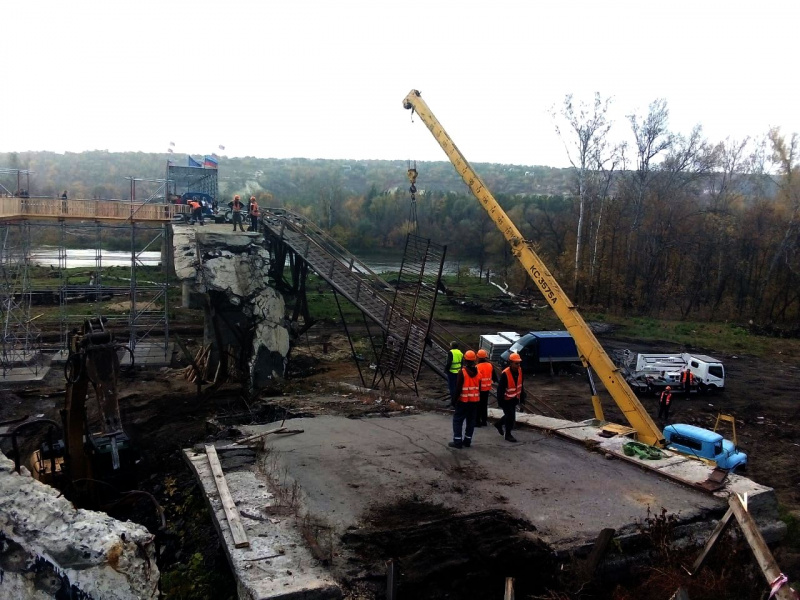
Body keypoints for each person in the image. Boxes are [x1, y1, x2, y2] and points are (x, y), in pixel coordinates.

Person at [449, 350, 480, 449]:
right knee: (470, 421)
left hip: (463, 401)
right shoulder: (478, 372)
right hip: (474, 401)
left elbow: (458, 388)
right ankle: (467, 441)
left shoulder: (462, 372)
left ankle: (457, 441)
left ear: (465, 360)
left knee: (458, 420)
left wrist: (454, 401)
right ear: (474, 360)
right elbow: (478, 387)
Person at [495, 352, 525, 442]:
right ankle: (508, 434)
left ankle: (498, 424)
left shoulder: (520, 371)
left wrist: (522, 397)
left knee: (509, 416)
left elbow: (521, 384)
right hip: (506, 400)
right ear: (511, 363)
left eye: (519, 363)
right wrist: (500, 402)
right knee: (511, 417)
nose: (518, 365)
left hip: (514, 398)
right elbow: (500, 390)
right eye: (516, 363)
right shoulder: (505, 374)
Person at [475, 348, 497, 427]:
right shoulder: (490, 365)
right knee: (484, 405)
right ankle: (484, 421)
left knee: (478, 406)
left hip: (479, 389)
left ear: (478, 357)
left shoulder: (477, 367)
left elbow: (476, 379)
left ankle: (477, 422)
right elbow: (495, 378)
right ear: (485, 357)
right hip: (487, 389)